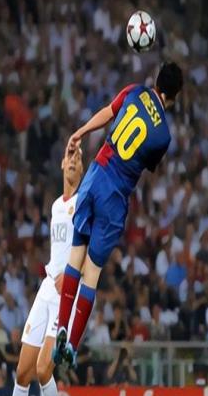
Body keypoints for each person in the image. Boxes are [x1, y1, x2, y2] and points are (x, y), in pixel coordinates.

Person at [54, 62, 183, 366]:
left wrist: (80, 132)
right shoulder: (163, 136)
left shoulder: (135, 91)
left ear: (156, 81)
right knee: (92, 272)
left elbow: (107, 113)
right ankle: (72, 345)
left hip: (96, 175)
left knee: (75, 255)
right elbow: (145, 164)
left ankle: (61, 324)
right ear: (174, 96)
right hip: (115, 196)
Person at [8, 147, 83, 396]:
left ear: (82, 169)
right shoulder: (55, 206)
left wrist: (73, 274)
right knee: (22, 372)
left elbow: (91, 250)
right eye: (70, 156)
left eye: (78, 158)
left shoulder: (84, 202)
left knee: (43, 369)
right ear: (62, 163)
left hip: (68, 293)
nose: (73, 160)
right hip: (48, 287)